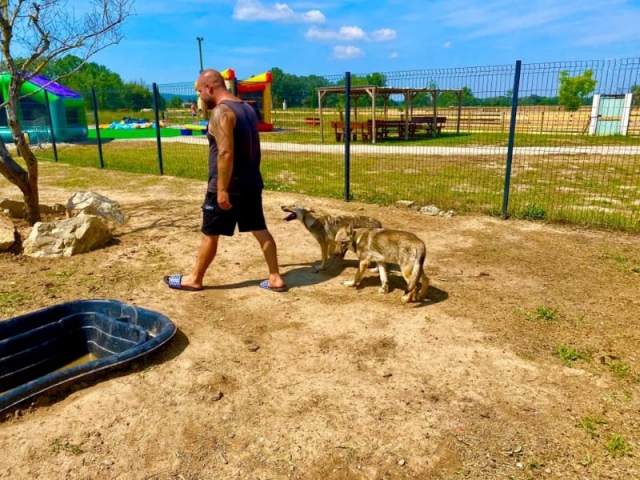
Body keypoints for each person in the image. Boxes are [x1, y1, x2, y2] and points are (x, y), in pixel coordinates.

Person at [163, 69, 286, 292]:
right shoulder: (246, 108)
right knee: (260, 229)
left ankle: (194, 278)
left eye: (200, 92)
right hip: (251, 182)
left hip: (228, 186)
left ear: (209, 88)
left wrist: (221, 189)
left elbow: (225, 153)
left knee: (210, 233)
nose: (200, 97)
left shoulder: (222, 111)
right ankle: (275, 277)